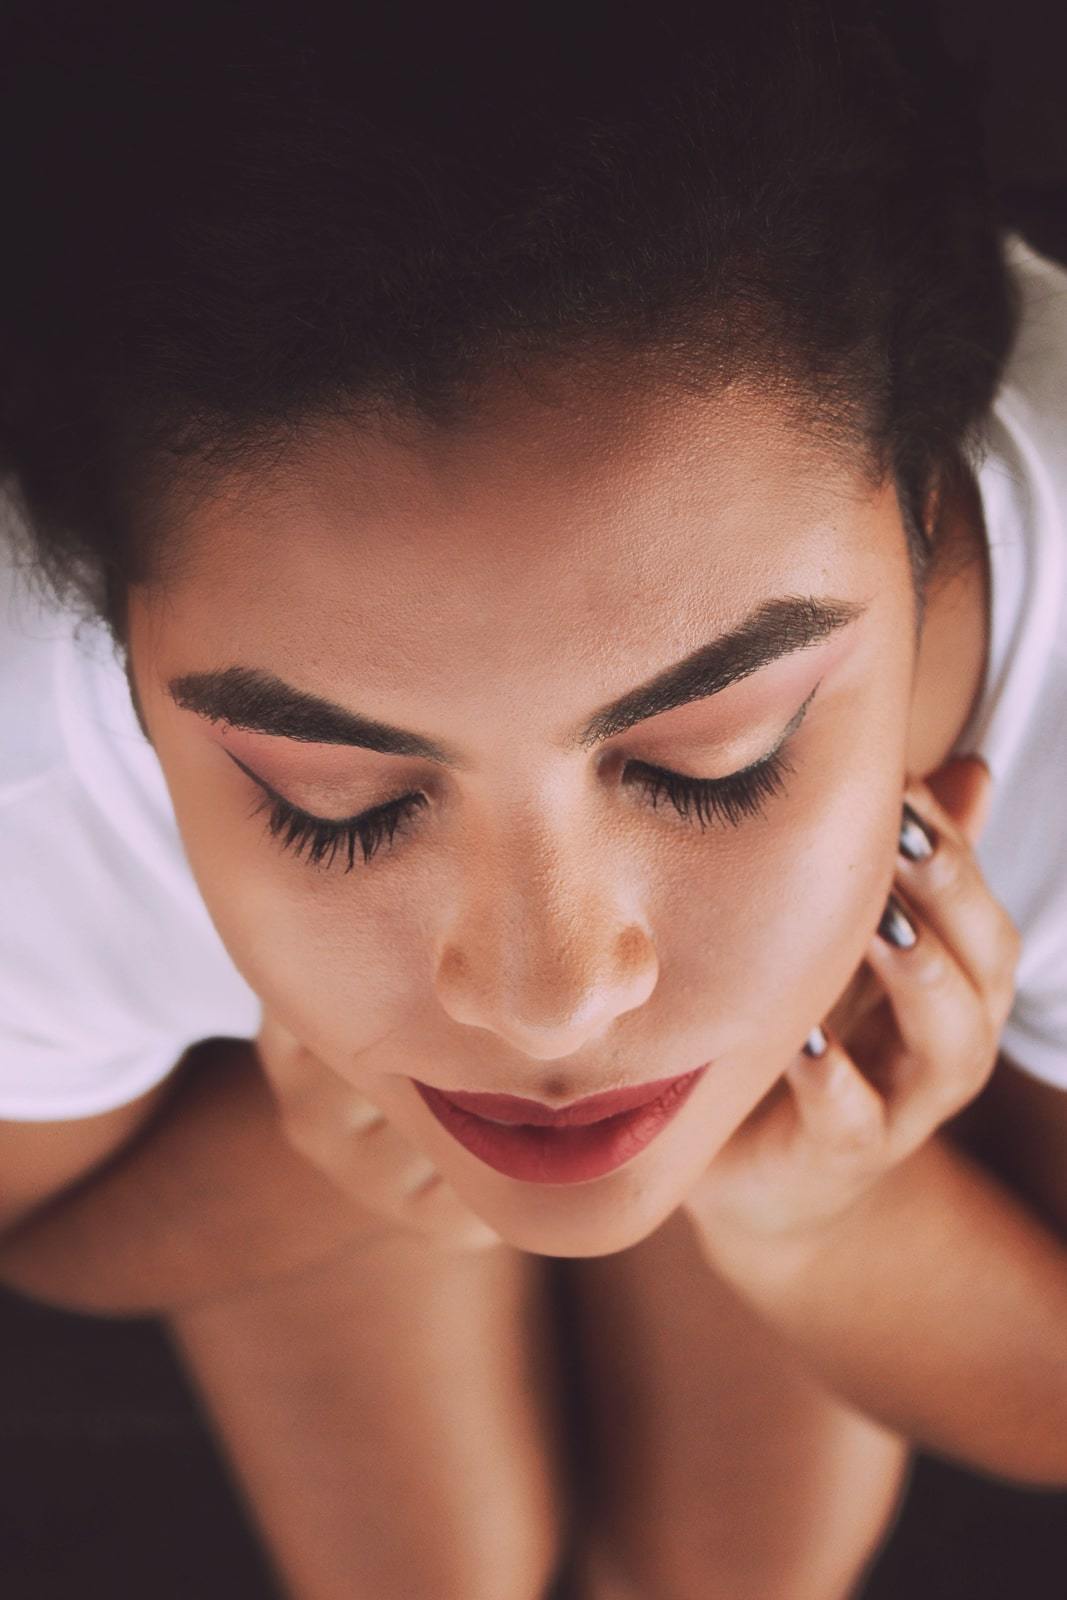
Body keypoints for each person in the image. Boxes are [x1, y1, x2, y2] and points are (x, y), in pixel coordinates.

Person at [1, 3, 1065, 1597]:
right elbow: (42, 1236)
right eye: (338, 802)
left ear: (925, 512)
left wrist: (825, 1227)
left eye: (714, 761)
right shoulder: (29, 751)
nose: (546, 991)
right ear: (128, 641)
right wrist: (322, 1160)